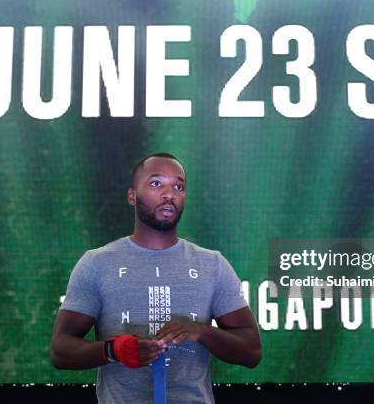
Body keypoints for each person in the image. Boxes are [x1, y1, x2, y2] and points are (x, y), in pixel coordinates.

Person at [50, 153, 262, 403]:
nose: (169, 194)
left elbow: (252, 351)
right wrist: (114, 350)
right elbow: (60, 351)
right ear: (132, 196)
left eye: (178, 186)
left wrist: (203, 332)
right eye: (156, 183)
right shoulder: (97, 263)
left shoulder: (211, 264)